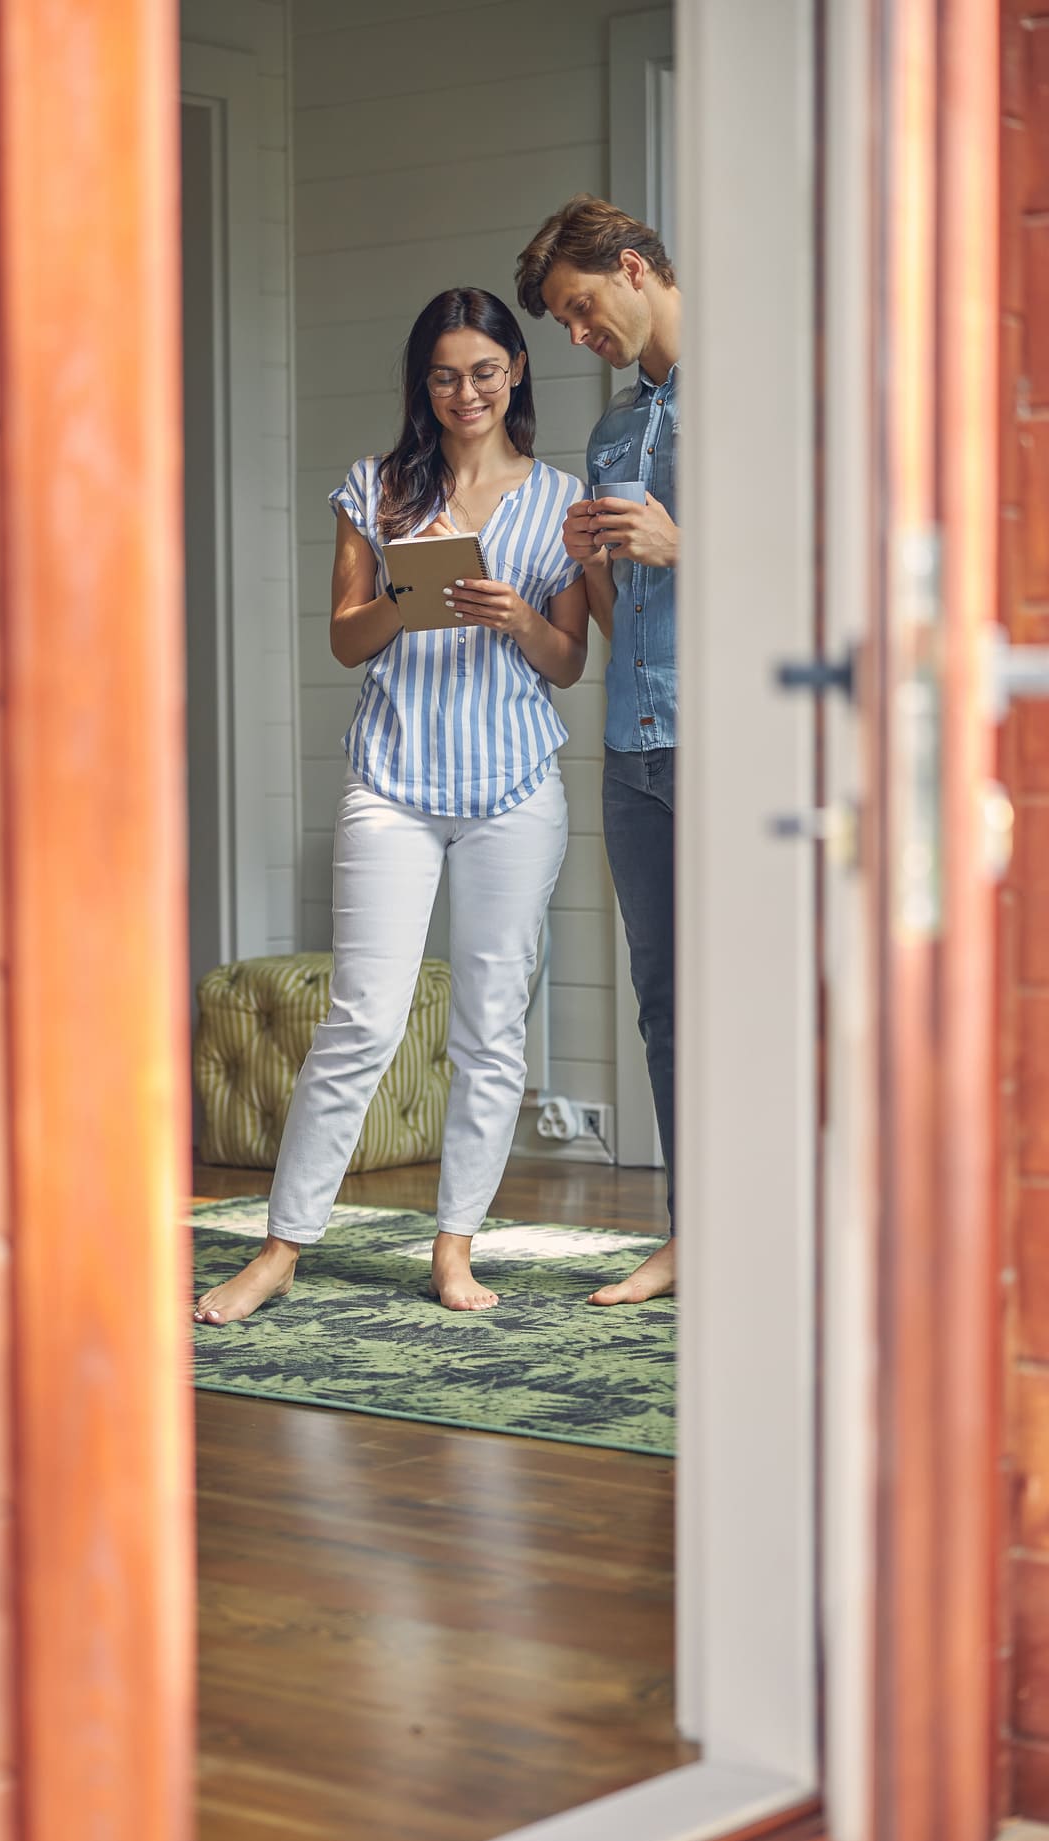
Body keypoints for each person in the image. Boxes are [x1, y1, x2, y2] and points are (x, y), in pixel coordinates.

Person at [194, 288, 589, 1325]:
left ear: (515, 372)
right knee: (361, 1019)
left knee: (491, 1028)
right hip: (392, 782)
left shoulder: (562, 500)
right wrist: (402, 605)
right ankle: (280, 1248)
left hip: (513, 788)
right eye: (444, 375)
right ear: (423, 384)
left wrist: (516, 618)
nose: (466, 393)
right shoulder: (375, 487)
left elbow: (567, 660)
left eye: (484, 372)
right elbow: (343, 639)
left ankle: (454, 1247)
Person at [515, 195, 681, 1306]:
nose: (580, 336)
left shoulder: (762, 395)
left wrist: (683, 544)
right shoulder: (614, 434)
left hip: (734, 751)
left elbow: (820, 583)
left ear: (630, 267)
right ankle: (692, 1233)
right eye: (565, 324)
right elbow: (624, 626)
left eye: (582, 310)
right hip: (634, 751)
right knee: (663, 1001)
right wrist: (592, 563)